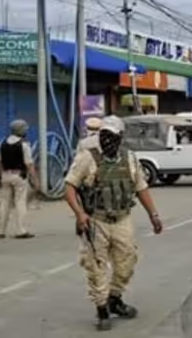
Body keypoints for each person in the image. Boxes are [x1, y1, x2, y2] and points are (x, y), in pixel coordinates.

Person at [64, 116, 163, 331]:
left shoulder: (129, 159)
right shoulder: (87, 158)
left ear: (121, 137)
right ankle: (101, 309)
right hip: (96, 220)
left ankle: (114, 298)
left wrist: (153, 215)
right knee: (96, 266)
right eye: (104, 135)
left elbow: (141, 187)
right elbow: (69, 187)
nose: (107, 140)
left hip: (122, 219)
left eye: (112, 136)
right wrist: (80, 215)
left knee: (127, 262)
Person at [0, 119, 37, 239]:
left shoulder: (2, 143)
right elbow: (29, 164)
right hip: (19, 176)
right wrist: (35, 180)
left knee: (4, 202)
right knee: (20, 202)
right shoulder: (24, 145)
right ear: (21, 131)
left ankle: (0, 230)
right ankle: (21, 230)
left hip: (5, 176)